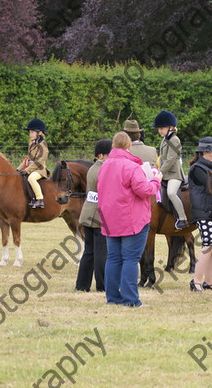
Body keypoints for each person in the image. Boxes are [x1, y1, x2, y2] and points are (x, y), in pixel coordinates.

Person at [97, 131, 162, 307]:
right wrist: (156, 181)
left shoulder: (104, 166)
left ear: (113, 146)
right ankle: (130, 299)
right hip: (131, 219)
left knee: (114, 258)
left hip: (109, 218)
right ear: (129, 146)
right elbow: (146, 191)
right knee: (130, 259)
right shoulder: (131, 167)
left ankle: (112, 297)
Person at [76, 139, 112, 293]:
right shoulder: (104, 170)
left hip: (88, 213)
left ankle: (82, 285)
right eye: (109, 154)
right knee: (101, 252)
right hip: (99, 215)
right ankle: (102, 285)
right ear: (101, 155)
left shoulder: (92, 168)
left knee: (89, 251)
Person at [188, 137, 212, 292]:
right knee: (208, 245)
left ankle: (209, 281)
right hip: (203, 211)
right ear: (203, 152)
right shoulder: (197, 168)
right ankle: (196, 281)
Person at [153, 110, 188, 230]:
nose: (159, 131)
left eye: (162, 128)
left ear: (171, 127)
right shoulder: (165, 139)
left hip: (174, 174)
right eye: (158, 128)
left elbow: (171, 159)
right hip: (166, 172)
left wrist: (160, 172)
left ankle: (183, 219)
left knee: (171, 193)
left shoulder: (175, 140)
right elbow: (162, 158)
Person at [21, 118, 48, 209]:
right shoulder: (32, 144)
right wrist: (19, 169)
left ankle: (40, 199)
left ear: (39, 133)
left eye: (32, 132)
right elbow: (27, 159)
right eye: (29, 132)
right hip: (31, 168)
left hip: (39, 169)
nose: (30, 134)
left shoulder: (42, 145)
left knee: (31, 178)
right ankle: (30, 199)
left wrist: (27, 170)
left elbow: (39, 161)